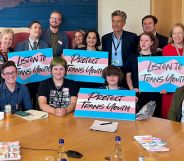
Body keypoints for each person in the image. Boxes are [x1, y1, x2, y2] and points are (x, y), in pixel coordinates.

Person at [125, 32, 161, 117]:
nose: (143, 42)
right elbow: (128, 76)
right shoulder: (132, 57)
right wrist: (131, 89)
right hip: (137, 94)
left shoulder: (157, 58)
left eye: (146, 40)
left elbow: (161, 77)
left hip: (153, 94)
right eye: (141, 40)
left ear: (152, 42)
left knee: (153, 121)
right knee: (137, 120)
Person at [15, 20, 49, 109]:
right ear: (29, 30)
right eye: (35, 27)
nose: (38, 29)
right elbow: (16, 64)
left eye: (39, 28)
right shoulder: (20, 45)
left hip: (40, 81)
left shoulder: (45, 45)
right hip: (25, 81)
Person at [161, 23, 184, 119]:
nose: (177, 36)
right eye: (174, 33)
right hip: (170, 89)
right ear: (171, 35)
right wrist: (162, 86)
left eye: (180, 33)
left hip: (183, 89)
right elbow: (163, 70)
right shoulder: (166, 49)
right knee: (169, 118)